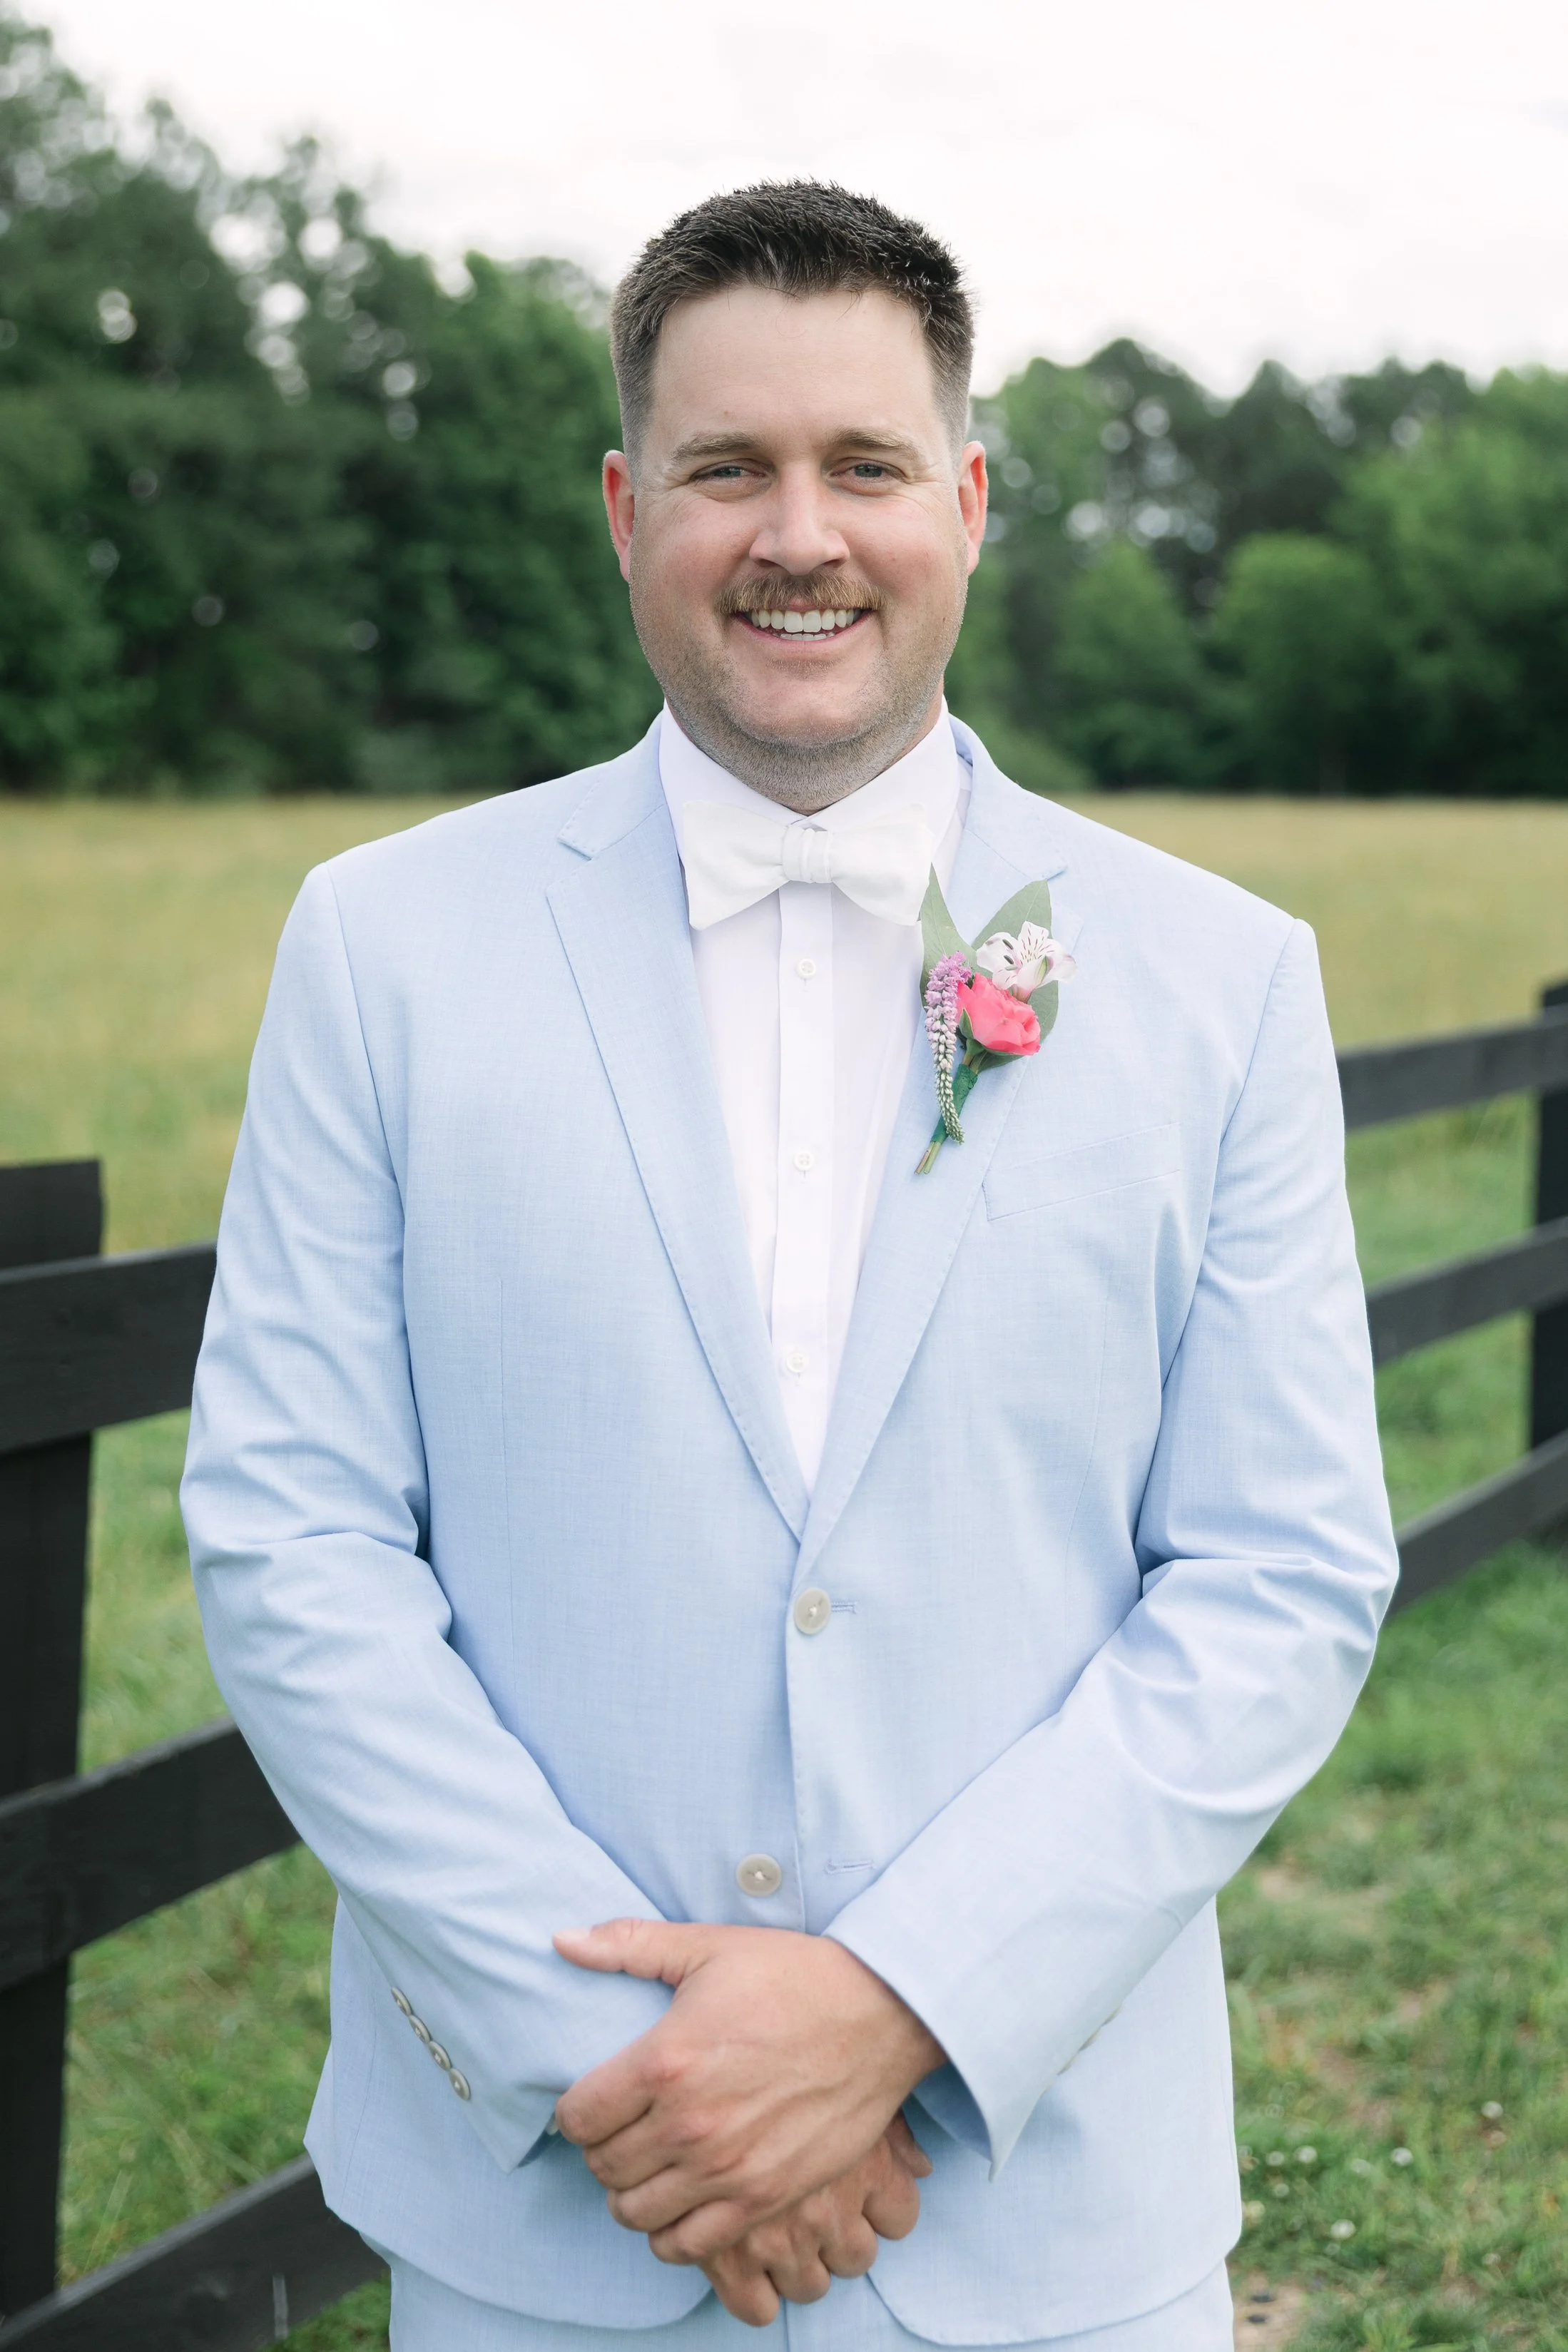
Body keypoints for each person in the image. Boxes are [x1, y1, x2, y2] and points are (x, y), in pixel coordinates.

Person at [182, 183, 1398, 2352]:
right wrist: (639, 2076)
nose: (800, 535)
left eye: (866, 465)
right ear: (627, 507)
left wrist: (904, 2003)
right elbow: (296, 1543)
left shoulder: (1222, 979)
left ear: (970, 503)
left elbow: (1278, 1571)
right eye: (729, 467)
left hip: (1052, 2226)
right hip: (557, 2217)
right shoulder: (384, 949)